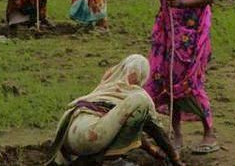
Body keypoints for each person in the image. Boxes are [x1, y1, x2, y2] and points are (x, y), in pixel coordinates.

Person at [143, 0, 218, 153]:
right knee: (169, 81)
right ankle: (176, 134)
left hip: (193, 31)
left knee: (191, 82)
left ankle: (209, 132)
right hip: (168, 30)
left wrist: (183, 3)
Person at [47, 54, 184, 165]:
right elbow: (156, 130)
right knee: (141, 101)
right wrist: (174, 158)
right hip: (91, 137)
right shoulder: (137, 94)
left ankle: (87, 160)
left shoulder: (106, 87)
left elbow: (126, 127)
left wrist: (152, 150)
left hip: (69, 138)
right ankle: (109, 160)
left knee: (122, 120)